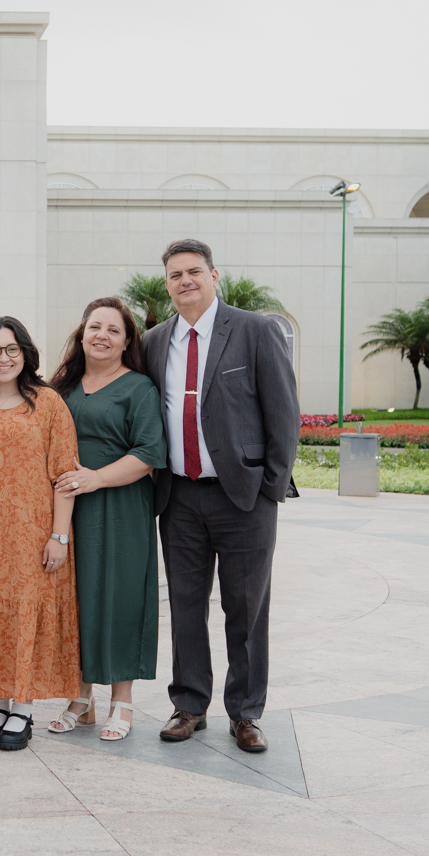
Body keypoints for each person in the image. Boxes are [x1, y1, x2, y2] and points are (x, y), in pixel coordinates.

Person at [142, 238, 300, 753]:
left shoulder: (255, 330)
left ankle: (246, 712)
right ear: (166, 284)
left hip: (244, 498)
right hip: (180, 498)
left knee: (247, 608)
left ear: (214, 275)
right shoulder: (154, 342)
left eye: (193, 271)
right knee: (185, 605)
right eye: (174, 275)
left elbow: (283, 413)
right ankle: (189, 705)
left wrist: (269, 489)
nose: (184, 281)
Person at [45, 299, 168, 741]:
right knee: (76, 599)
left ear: (127, 341)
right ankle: (81, 699)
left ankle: (122, 700)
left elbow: (150, 454)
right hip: (67, 510)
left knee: (118, 597)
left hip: (120, 506)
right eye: (94, 326)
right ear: (81, 334)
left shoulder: (139, 388)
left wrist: (95, 479)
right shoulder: (61, 388)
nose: (102, 335)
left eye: (113, 330)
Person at [0, 316, 80, 752]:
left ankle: (24, 707)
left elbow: (65, 474)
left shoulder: (48, 403)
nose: (4, 358)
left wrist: (60, 535)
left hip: (34, 531)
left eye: (12, 349)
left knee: (27, 612)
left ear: (26, 354)